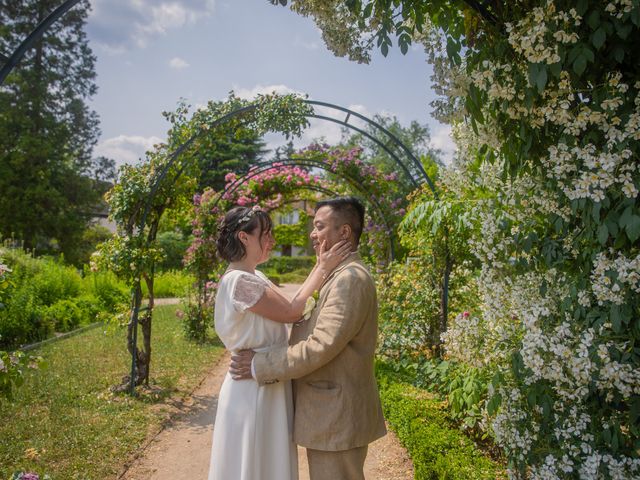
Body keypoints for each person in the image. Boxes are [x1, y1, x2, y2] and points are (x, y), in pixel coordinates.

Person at [230, 197, 387, 480]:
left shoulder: (349, 279)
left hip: (337, 416)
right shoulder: (337, 274)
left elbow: (320, 346)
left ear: (344, 232)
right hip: (330, 414)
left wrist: (259, 365)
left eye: (319, 226)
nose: (312, 234)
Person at [208, 205, 351, 480]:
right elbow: (291, 312)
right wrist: (323, 267)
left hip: (266, 378)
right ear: (243, 237)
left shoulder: (254, 276)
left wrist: (320, 267)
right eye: (266, 234)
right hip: (253, 387)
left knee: (266, 462)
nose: (272, 240)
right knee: (256, 463)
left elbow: (290, 302)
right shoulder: (240, 281)